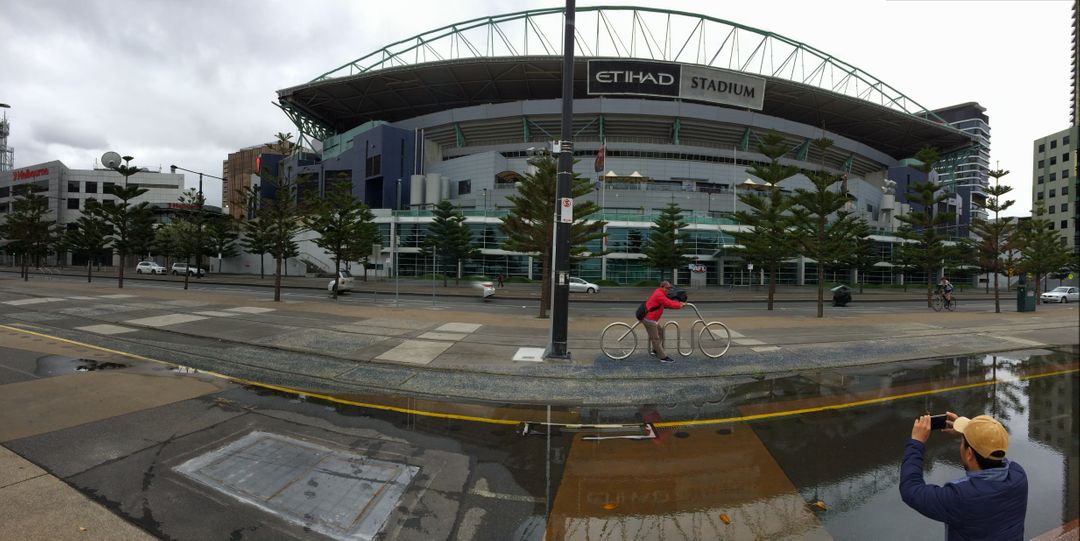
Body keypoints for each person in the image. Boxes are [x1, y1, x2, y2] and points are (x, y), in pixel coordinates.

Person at [900, 412, 1028, 540]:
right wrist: (969, 433)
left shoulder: (961, 498)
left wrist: (916, 442)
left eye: (962, 442)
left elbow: (911, 489)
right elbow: (994, 449)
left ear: (969, 454)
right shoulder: (1018, 476)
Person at [641, 280, 685, 364]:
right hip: (649, 320)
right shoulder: (659, 294)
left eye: (669, 288)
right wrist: (679, 305)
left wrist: (677, 303)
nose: (668, 290)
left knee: (661, 332)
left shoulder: (660, 293)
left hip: (651, 318)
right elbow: (668, 303)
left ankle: (655, 350)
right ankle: (663, 357)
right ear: (662, 287)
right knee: (655, 339)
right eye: (667, 288)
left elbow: (666, 303)